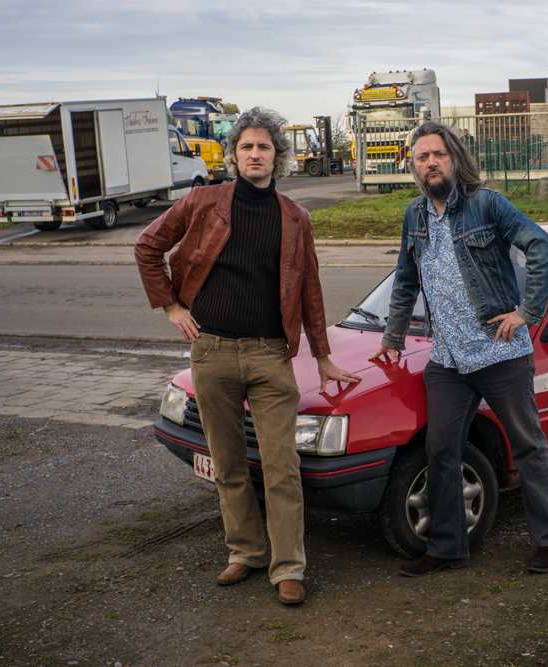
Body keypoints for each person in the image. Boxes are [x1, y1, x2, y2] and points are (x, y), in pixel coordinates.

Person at [135, 107, 361, 605]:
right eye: (246, 147)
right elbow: (147, 245)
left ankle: (288, 567)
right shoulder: (202, 201)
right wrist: (171, 304)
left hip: (268, 358)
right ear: (234, 154)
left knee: (281, 467)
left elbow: (311, 291)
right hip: (211, 351)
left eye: (264, 147)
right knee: (227, 462)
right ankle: (246, 552)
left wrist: (322, 355)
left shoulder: (295, 218)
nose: (255, 154)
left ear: (277, 157)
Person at [369, 121, 548, 577]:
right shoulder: (414, 216)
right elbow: (404, 280)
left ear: (454, 158)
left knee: (528, 446)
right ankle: (447, 546)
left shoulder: (487, 204)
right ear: (413, 166)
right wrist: (393, 339)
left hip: (499, 352)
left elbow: (543, 248)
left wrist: (527, 313)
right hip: (448, 360)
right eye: (422, 157)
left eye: (438, 154)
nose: (431, 163)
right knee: (441, 452)